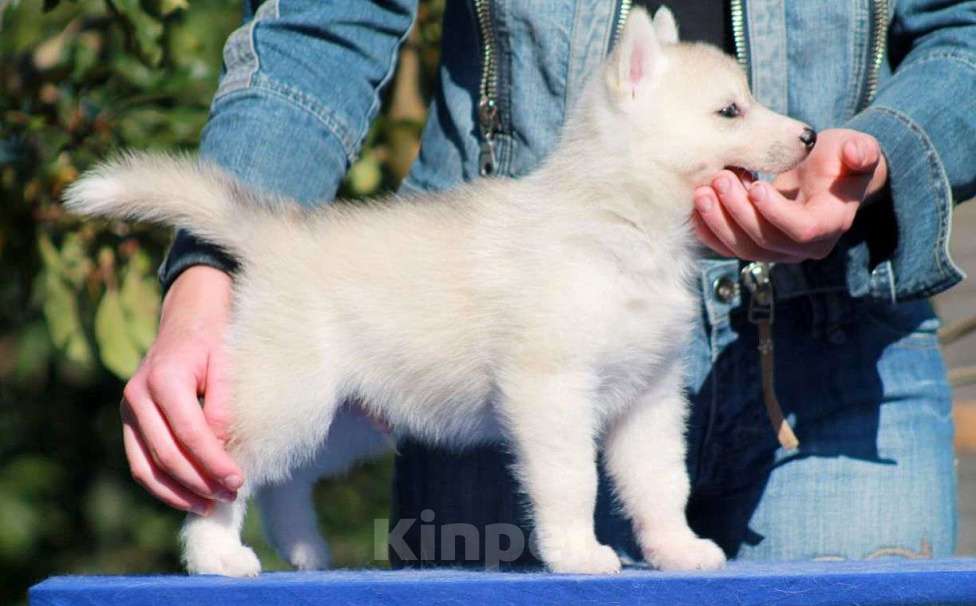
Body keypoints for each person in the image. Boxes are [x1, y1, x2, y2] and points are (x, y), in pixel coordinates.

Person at [118, 0, 974, 564]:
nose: (779, 129)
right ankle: (220, 522)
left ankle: (660, 528)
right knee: (289, 416)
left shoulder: (653, 268)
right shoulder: (559, 246)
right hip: (413, 356)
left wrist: (885, 154)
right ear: (632, 93)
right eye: (729, 115)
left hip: (838, 349)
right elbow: (320, 24)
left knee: (645, 396)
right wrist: (205, 273)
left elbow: (645, 402)